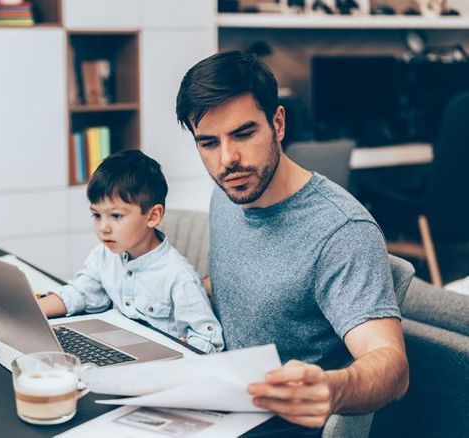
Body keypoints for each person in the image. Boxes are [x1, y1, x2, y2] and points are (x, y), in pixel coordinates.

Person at [175, 51, 409, 430]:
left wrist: (334, 387)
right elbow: (238, 288)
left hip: (276, 424)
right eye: (208, 143)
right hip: (215, 393)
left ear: (278, 123)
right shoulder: (229, 192)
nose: (226, 160)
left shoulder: (341, 230)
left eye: (243, 133)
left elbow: (391, 364)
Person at [0, 149, 224, 354]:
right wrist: (19, 313)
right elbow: (79, 294)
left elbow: (208, 340)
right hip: (116, 347)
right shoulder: (105, 255)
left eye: (116, 216)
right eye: (96, 215)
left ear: (153, 216)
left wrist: (177, 358)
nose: (104, 228)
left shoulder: (179, 277)